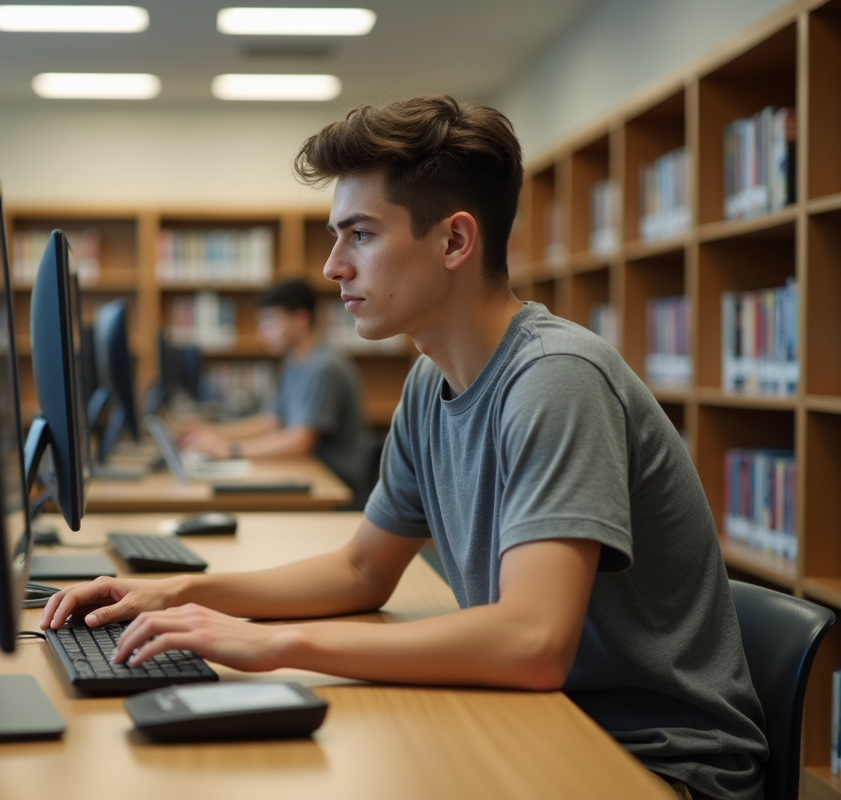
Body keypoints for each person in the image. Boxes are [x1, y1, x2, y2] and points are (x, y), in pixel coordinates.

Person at [41, 95, 767, 800]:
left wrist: (275, 647)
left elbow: (532, 640)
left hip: (655, 761)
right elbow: (361, 569)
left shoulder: (554, 380)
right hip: (541, 719)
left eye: (359, 235)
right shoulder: (430, 384)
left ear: (454, 240)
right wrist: (183, 594)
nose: (332, 268)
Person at [178, 278, 372, 501]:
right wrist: (213, 432)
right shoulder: (293, 362)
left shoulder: (323, 367)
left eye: (270, 322)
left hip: (335, 483)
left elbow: (299, 442)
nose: (262, 332)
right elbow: (271, 420)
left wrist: (228, 450)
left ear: (300, 321)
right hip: (308, 471)